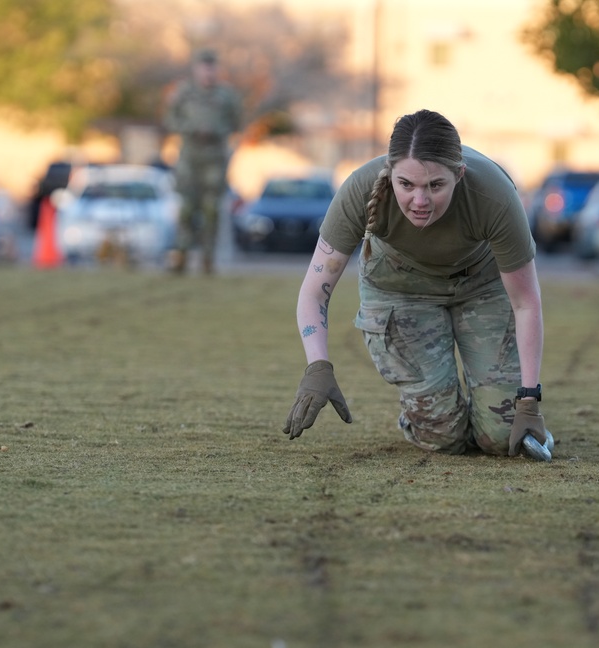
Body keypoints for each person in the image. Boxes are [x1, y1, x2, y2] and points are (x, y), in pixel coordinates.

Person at [282, 109, 550, 459]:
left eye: (435, 185)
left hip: (480, 287)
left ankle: (495, 419)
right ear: (390, 173)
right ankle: (433, 411)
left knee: (502, 439)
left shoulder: (494, 195)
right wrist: (318, 368)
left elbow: (526, 302)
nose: (419, 201)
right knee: (444, 437)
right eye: (405, 185)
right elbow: (315, 290)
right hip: (400, 291)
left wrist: (529, 400)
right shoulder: (360, 189)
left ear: (459, 174)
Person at [163, 47, 242, 275]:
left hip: (214, 158)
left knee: (211, 210)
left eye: (212, 67)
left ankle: (208, 259)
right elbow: (170, 118)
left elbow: (236, 122)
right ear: (196, 69)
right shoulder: (183, 92)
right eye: (203, 67)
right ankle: (181, 255)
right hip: (190, 156)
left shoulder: (227, 95)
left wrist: (216, 130)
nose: (208, 72)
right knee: (187, 208)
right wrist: (191, 129)